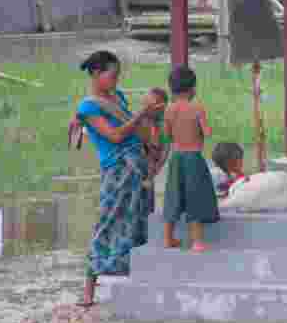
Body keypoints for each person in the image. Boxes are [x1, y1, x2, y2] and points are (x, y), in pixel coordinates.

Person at [75, 50, 163, 308]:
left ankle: (137, 279)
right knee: (108, 221)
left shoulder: (117, 97)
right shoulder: (89, 106)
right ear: (95, 74)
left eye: (117, 76)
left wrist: (152, 144)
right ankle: (89, 289)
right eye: (111, 76)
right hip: (117, 171)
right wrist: (141, 115)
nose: (115, 81)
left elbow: (138, 131)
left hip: (137, 168)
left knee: (138, 220)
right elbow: (114, 136)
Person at [162, 65, 220, 251]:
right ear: (193, 88)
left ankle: (168, 238)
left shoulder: (169, 109)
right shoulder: (197, 108)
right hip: (194, 157)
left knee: (173, 195)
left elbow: (167, 135)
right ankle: (197, 241)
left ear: (172, 88)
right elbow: (207, 132)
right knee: (195, 196)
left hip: (176, 157)